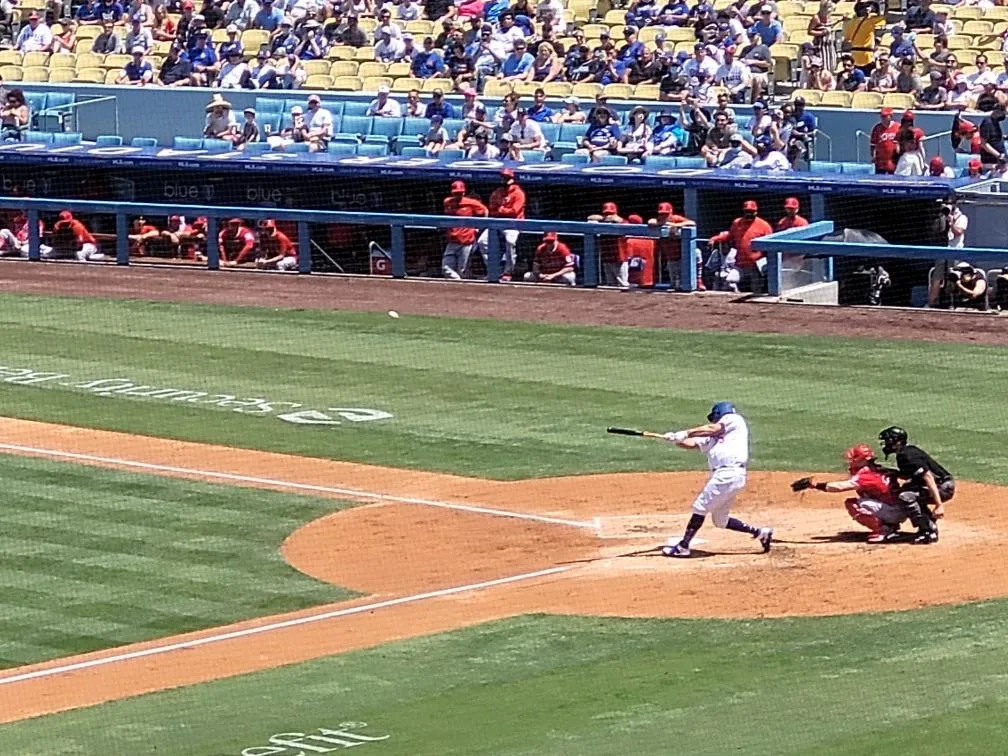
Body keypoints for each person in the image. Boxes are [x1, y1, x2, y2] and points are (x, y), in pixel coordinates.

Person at [659, 402, 773, 558]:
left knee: (700, 507)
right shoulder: (714, 438)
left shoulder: (734, 420)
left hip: (728, 473)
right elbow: (693, 444)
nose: (714, 421)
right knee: (720, 520)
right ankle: (760, 533)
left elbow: (713, 428)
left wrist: (685, 432)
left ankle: (683, 546)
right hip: (727, 476)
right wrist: (675, 440)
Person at [799, 444, 905, 543]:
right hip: (897, 508)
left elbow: (841, 487)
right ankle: (890, 526)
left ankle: (884, 531)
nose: (851, 461)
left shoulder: (865, 474)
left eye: (854, 458)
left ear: (863, 460)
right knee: (863, 499)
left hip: (894, 511)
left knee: (857, 504)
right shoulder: (877, 469)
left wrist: (816, 485)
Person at [878, 426, 954, 544]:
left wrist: (939, 505)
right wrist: (889, 471)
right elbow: (910, 475)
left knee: (906, 496)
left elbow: (928, 477)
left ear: (897, 442)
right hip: (942, 484)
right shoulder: (906, 451)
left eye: (889, 440)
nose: (886, 444)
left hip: (942, 487)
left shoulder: (906, 455)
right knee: (907, 489)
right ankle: (929, 523)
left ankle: (928, 531)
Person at [708, 199, 772, 292]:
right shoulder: (737, 223)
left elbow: (770, 245)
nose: (749, 214)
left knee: (756, 289)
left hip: (756, 265)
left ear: (756, 211)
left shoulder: (764, 226)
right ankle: (736, 304)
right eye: (747, 211)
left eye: (751, 211)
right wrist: (715, 238)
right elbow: (729, 236)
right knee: (730, 281)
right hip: (740, 264)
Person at [478, 168, 525, 281]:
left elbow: (514, 211)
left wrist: (501, 210)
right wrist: (503, 210)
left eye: (507, 178)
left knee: (510, 241)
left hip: (513, 224)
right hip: (497, 223)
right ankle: (494, 270)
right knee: (482, 242)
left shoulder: (518, 193)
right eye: (503, 177)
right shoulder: (497, 192)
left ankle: (508, 272)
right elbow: (492, 209)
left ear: (512, 179)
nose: (505, 180)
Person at [441, 180, 488, 280]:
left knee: (462, 271)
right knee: (446, 268)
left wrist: (478, 229)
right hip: (452, 241)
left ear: (463, 192)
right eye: (456, 193)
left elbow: (485, 211)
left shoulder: (471, 202)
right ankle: (458, 283)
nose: (458, 195)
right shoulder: (447, 202)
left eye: (460, 192)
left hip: (466, 241)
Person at [648, 201, 697, 290]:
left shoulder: (675, 218)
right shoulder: (659, 220)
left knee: (684, 277)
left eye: (666, 214)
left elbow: (692, 223)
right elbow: (650, 222)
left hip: (682, 255)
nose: (664, 216)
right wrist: (661, 224)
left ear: (670, 212)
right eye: (662, 214)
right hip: (670, 255)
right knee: (674, 280)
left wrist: (676, 225)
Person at [869, 106, 900, 174]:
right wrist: (873, 156)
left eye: (885, 116)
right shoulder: (877, 128)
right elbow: (873, 145)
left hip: (894, 162)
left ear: (891, 116)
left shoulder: (897, 127)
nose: (882, 118)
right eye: (882, 116)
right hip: (880, 163)